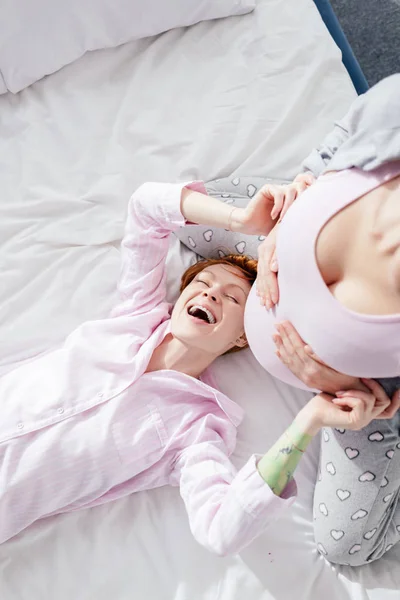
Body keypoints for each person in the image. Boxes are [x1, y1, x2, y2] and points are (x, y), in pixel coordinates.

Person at [0, 178, 390, 553]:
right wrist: (241, 221)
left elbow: (222, 531)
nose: (211, 293)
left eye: (232, 297)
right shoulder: (132, 317)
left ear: (243, 335)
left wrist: (308, 422)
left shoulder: (197, 427)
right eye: (201, 282)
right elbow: (146, 206)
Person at [177, 74, 400, 565]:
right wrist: (299, 196)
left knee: (347, 548)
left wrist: (350, 389)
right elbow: (342, 137)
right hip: (272, 259)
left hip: (357, 397)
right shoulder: (393, 108)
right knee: (190, 215)